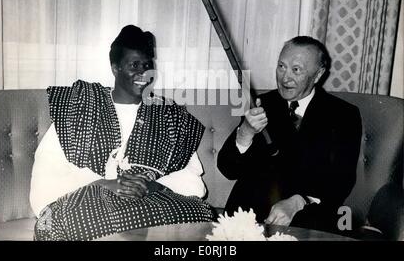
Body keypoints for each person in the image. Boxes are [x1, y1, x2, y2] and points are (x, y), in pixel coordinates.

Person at [30, 25, 215, 241]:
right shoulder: (80, 106)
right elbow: (46, 176)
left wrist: (152, 185)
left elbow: (193, 183)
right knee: (56, 224)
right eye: (134, 65)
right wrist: (106, 183)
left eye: (147, 65)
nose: (143, 74)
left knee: (202, 213)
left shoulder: (168, 114)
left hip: (151, 204)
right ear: (115, 68)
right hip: (91, 204)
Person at [217, 36, 362, 234]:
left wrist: (299, 201)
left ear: (318, 75)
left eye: (296, 70)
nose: (285, 77)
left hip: (306, 217)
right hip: (250, 218)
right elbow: (227, 168)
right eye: (281, 66)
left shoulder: (343, 115)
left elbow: (341, 179)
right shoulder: (261, 104)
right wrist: (246, 132)